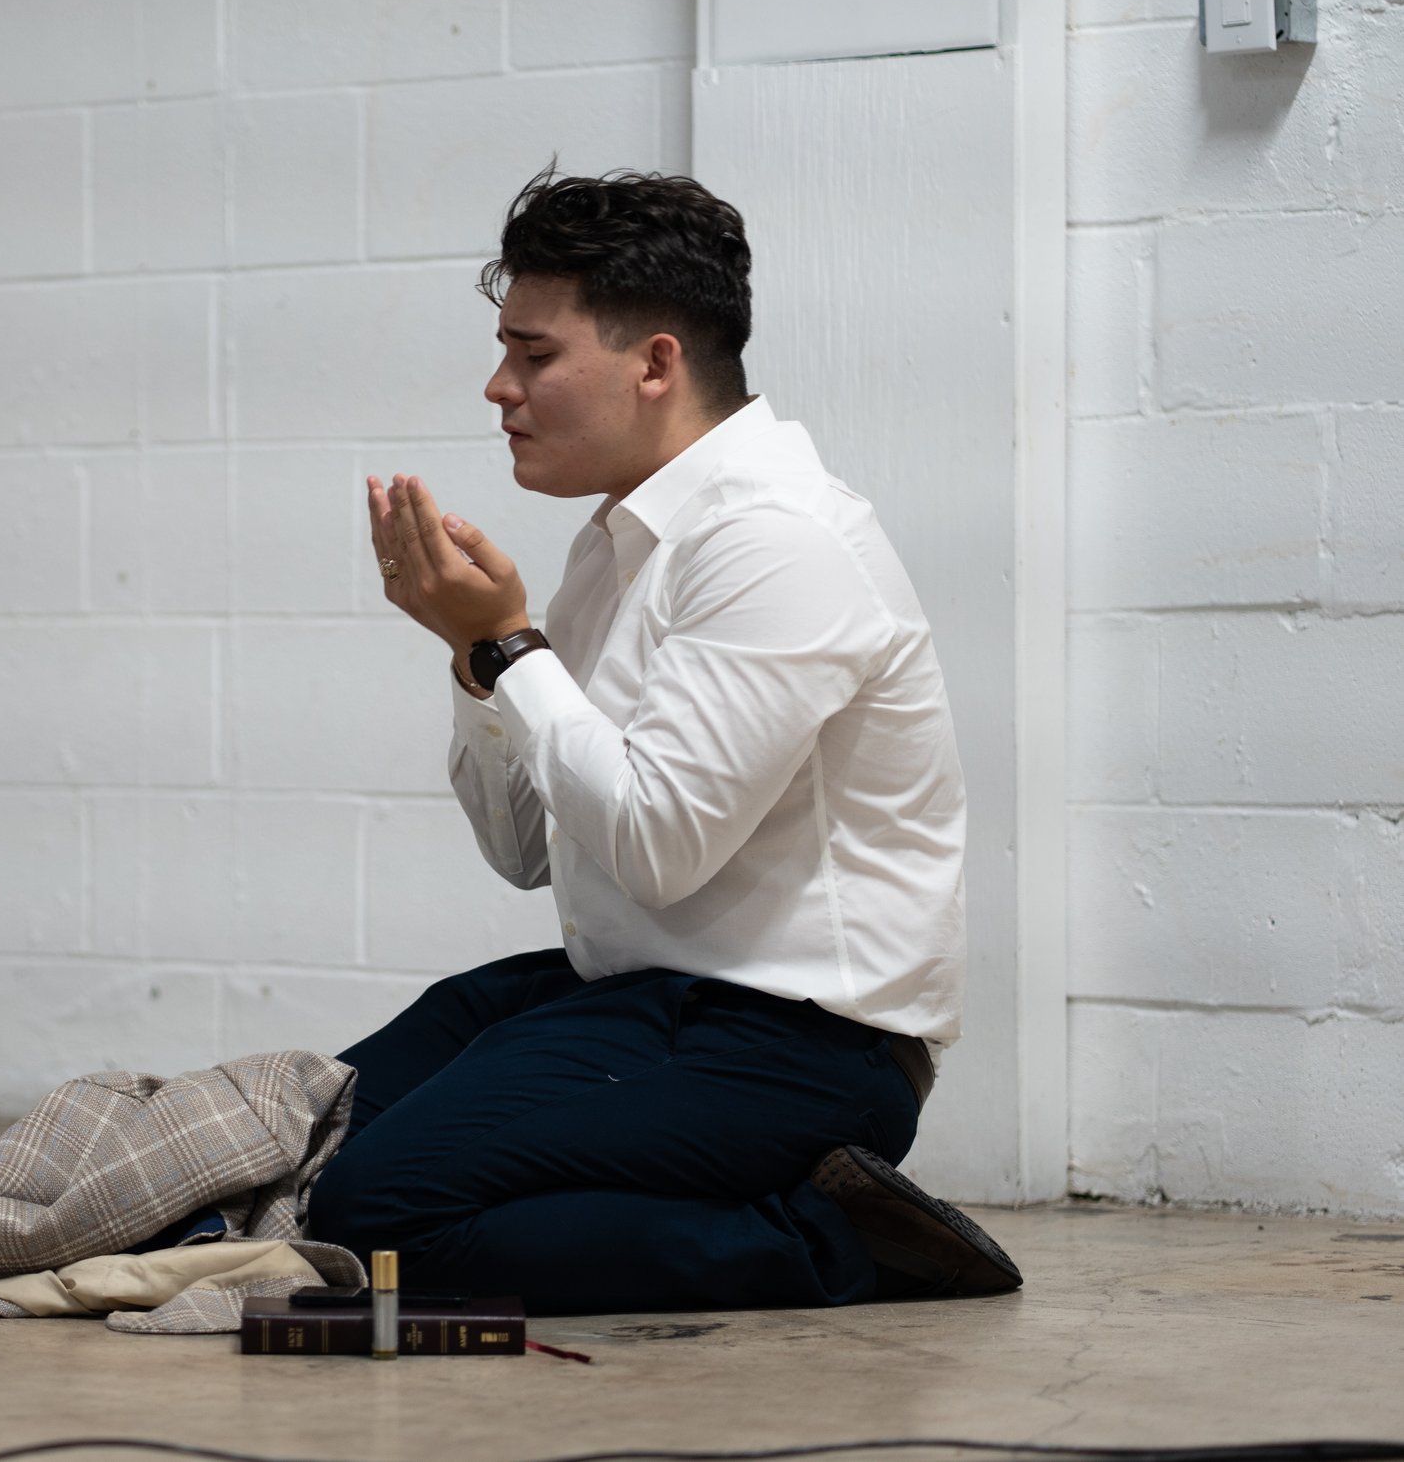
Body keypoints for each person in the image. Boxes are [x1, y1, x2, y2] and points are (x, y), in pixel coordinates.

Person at [303, 167, 1021, 1313]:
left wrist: (507, 649)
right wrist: (473, 657)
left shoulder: (775, 541)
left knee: (378, 1221)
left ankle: (832, 1237)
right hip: (637, 995)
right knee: (310, 1154)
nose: (498, 387)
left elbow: (655, 847)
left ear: (653, 364)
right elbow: (528, 850)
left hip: (799, 1045)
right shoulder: (619, 541)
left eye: (534, 355)